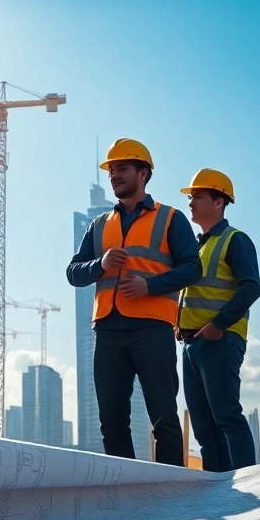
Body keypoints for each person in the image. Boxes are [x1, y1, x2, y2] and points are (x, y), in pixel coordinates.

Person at [67, 139, 201, 466]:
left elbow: (193, 268)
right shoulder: (98, 226)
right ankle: (125, 493)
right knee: (111, 421)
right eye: (112, 170)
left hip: (152, 328)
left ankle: (169, 489)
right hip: (108, 330)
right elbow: (73, 273)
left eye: (122, 169)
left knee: (164, 417)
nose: (114, 175)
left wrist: (150, 285)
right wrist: (100, 264)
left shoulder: (171, 218)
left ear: (144, 173)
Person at [176, 169, 260, 472]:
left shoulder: (234, 240)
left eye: (197, 196)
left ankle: (250, 486)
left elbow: (251, 287)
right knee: (204, 427)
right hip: (191, 344)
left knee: (227, 417)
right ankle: (220, 493)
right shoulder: (197, 246)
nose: (191, 203)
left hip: (219, 341)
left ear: (219, 201)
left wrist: (218, 326)